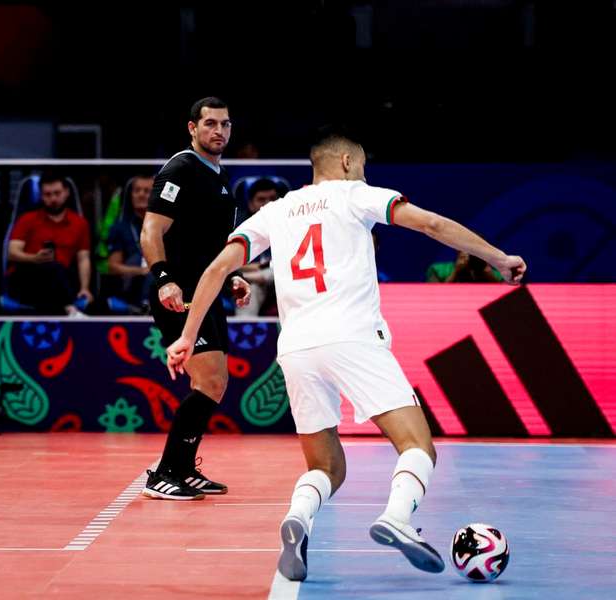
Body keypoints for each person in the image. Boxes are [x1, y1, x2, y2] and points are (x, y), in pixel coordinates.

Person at [165, 128, 526, 579]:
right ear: (347, 163)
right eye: (362, 166)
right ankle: (397, 518)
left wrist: (186, 335)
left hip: (296, 348)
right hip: (353, 338)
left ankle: (297, 518)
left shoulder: (276, 210)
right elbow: (431, 224)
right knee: (417, 446)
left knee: (326, 466)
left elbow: (218, 268)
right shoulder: (357, 194)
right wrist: (496, 257)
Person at [140, 96, 251, 500]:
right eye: (209, 124)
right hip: (179, 295)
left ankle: (183, 467)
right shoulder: (181, 168)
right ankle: (165, 473)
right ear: (192, 128)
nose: (218, 131)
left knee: (216, 382)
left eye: (224, 124)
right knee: (208, 379)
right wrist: (164, 279)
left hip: (207, 295)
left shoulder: (220, 177)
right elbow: (151, 232)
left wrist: (234, 276)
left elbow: (214, 245)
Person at [7, 173, 93, 316]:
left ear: (66, 193)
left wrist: (85, 288)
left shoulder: (80, 223)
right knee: (52, 268)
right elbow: (12, 252)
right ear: (41, 196)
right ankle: (69, 309)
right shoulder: (27, 219)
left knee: (58, 270)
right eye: (47, 194)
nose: (53, 198)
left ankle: (66, 309)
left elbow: (83, 259)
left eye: (57, 193)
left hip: (62, 279)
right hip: (28, 277)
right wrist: (34, 258)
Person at [106, 175, 154, 312]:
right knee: (136, 259)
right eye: (137, 190)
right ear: (130, 195)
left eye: (147, 191)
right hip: (133, 283)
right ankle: (144, 307)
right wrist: (142, 271)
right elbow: (113, 267)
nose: (141, 195)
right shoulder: (120, 227)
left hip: (163, 281)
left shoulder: (166, 226)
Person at [236, 178, 280, 317]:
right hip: (255, 282)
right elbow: (232, 265)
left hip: (283, 279)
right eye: (261, 199)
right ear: (250, 204)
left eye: (273, 198)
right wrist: (259, 268)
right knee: (250, 290)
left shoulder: (291, 225)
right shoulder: (241, 229)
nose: (268, 204)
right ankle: (244, 334)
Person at [426, 250, 504, 282]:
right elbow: (434, 297)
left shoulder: (498, 275)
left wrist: (489, 276)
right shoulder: (438, 270)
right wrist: (456, 272)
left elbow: (505, 301)